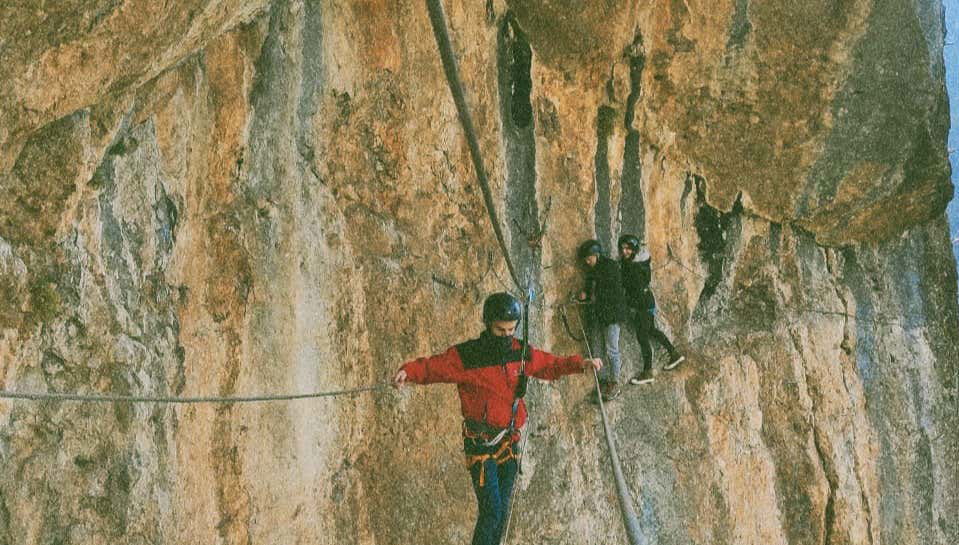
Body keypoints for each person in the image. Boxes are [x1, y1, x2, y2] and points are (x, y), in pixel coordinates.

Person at [393, 292, 601, 545]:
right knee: (491, 512)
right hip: (480, 444)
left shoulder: (520, 353)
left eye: (511, 330)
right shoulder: (468, 356)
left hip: (508, 443)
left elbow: (549, 365)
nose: (506, 335)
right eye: (500, 330)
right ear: (488, 324)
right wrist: (408, 372)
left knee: (501, 513)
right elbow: (433, 367)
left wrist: (580, 364)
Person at [617, 234, 684, 386]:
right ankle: (674, 353)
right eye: (622, 248)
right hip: (647, 301)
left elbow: (635, 289)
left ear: (634, 249)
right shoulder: (641, 261)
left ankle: (647, 371)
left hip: (642, 304)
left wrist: (630, 304)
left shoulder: (633, 267)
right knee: (651, 330)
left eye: (628, 248)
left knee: (642, 336)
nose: (624, 251)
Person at [576, 239, 628, 401]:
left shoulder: (610, 267)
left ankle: (615, 382)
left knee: (612, 349)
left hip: (611, 315)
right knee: (597, 348)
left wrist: (592, 297)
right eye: (585, 258)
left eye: (589, 258)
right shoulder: (594, 269)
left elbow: (611, 292)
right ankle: (603, 381)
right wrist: (585, 293)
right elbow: (590, 284)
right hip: (599, 314)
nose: (587, 261)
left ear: (596, 255)